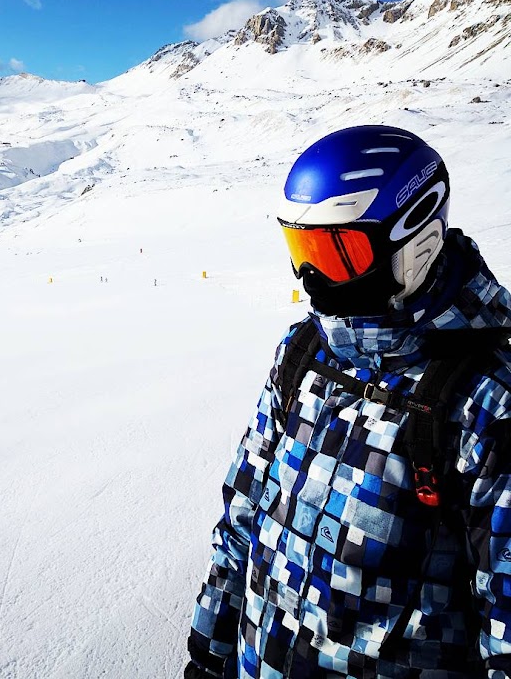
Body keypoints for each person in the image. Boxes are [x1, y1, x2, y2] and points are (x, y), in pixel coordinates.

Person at [185, 125, 511, 678]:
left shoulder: (486, 402)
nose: (312, 279)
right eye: (302, 250)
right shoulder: (304, 353)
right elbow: (244, 517)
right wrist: (210, 651)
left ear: (414, 236)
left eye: (336, 253)